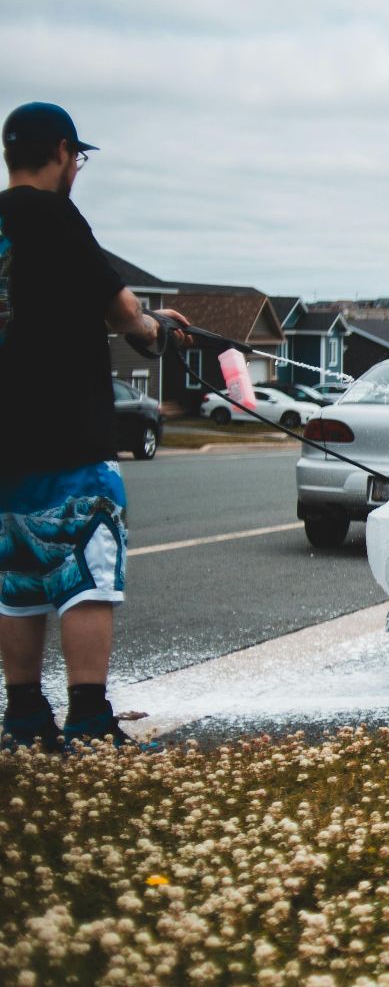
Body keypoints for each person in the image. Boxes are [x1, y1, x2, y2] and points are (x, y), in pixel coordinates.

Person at [0, 101, 188, 749]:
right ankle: (87, 718)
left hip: (7, 444)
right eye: (76, 157)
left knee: (18, 579)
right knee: (86, 573)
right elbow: (119, 308)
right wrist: (153, 328)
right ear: (60, 153)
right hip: (70, 432)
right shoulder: (60, 218)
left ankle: (23, 715)